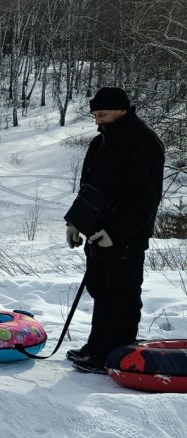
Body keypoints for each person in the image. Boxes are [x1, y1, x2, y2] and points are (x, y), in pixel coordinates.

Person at [65, 87, 165, 374]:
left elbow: (146, 198)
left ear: (122, 109)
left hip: (126, 237)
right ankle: (96, 347)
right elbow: (91, 189)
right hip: (98, 234)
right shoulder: (103, 142)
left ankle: (115, 354)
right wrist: (76, 222)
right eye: (95, 115)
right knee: (102, 290)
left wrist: (116, 232)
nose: (98, 120)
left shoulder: (143, 141)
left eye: (103, 114)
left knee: (122, 295)